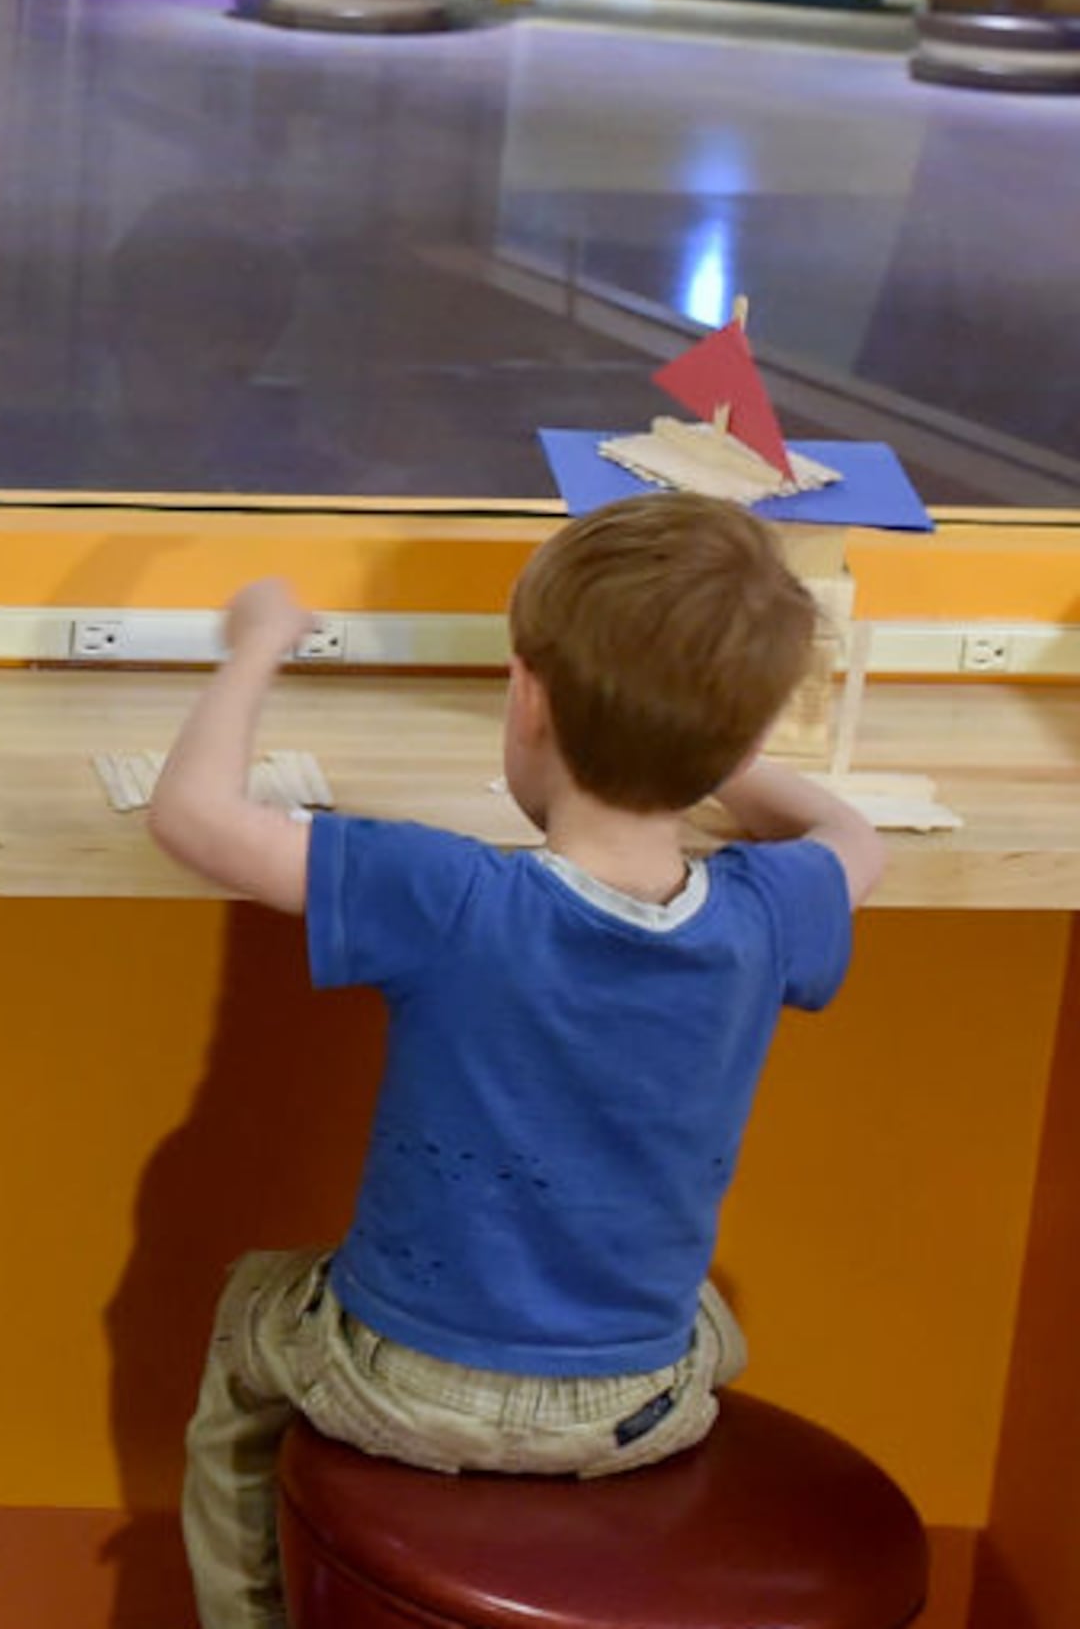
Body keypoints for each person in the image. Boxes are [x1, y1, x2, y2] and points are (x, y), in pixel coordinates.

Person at [146, 493, 885, 1629]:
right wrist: (717, 749)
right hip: (641, 1408)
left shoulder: (456, 897)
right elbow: (852, 838)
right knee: (703, 1312)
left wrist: (258, 643)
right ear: (744, 743)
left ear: (527, 697)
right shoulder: (769, 912)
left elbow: (191, 815)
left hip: (407, 1389)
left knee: (252, 1308)